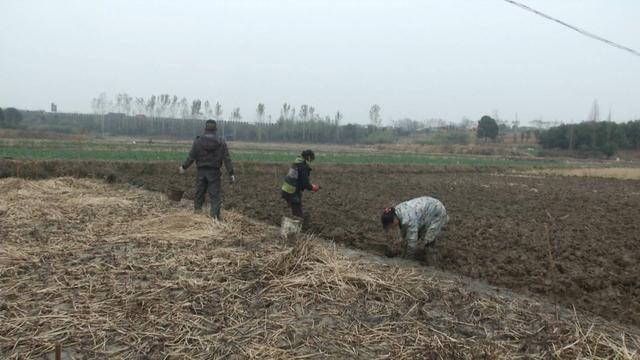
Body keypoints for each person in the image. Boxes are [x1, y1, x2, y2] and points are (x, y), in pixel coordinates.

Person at [179, 120, 235, 220]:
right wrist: (231, 173)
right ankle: (214, 218)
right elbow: (227, 159)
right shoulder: (221, 142)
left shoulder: (198, 141)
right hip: (214, 172)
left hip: (201, 171)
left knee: (199, 193)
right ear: (215, 129)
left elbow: (191, 157)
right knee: (214, 195)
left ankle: (197, 214)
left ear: (205, 129)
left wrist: (183, 167)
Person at [381, 196, 448, 261]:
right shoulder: (397, 212)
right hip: (425, 211)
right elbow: (405, 230)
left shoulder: (408, 219)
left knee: (428, 238)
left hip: (437, 212)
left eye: (390, 226)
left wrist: (408, 258)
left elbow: (412, 240)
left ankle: (432, 259)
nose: (391, 228)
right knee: (418, 233)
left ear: (394, 220)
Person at [281, 149, 320, 224]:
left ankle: (293, 222)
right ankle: (295, 229)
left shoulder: (296, 162)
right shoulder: (303, 167)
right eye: (311, 159)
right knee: (297, 214)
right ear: (308, 158)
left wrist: (310, 186)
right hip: (292, 192)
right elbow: (305, 184)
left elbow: (300, 181)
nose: (311, 162)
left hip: (286, 190)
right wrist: (313, 187)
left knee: (295, 209)